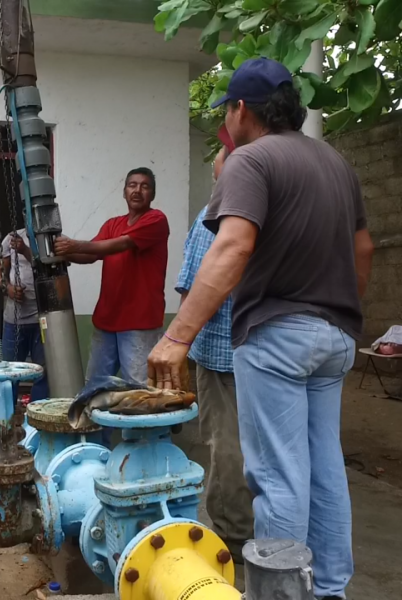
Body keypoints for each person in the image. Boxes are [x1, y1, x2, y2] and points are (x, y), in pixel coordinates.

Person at [148, 58, 374, 600]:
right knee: (324, 470)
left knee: (276, 476)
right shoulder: (336, 164)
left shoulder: (251, 160)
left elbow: (233, 246)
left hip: (276, 336)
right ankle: (329, 591)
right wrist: (338, 311)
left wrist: (177, 336)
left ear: (241, 109)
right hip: (335, 336)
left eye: (226, 110)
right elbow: (362, 248)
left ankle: (281, 594)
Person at [175, 137, 253, 562]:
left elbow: (193, 287)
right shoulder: (278, 213)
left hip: (223, 354)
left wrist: (178, 346)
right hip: (268, 351)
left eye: (217, 166)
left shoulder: (215, 217)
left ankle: (233, 537)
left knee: (226, 445)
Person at [54, 167, 169, 385]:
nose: (137, 190)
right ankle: (96, 421)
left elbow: (121, 244)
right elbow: (91, 254)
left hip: (139, 323)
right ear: (124, 191)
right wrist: (60, 252)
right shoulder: (113, 224)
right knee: (94, 386)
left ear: (152, 194)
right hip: (106, 321)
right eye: (132, 185)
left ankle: (142, 421)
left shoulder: (156, 220)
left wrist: (73, 244)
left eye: (145, 186)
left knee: (139, 389)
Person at [0, 229, 49, 400]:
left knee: (43, 373)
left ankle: (37, 416)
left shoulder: (49, 237)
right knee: (9, 373)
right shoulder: (12, 237)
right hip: (14, 320)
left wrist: (25, 250)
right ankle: (7, 418)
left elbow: (47, 268)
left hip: (43, 320)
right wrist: (9, 289)